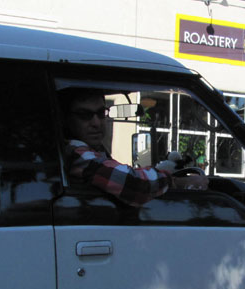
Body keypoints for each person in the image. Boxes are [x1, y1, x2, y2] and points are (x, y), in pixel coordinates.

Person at [59, 87, 208, 207]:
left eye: (101, 113)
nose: (96, 123)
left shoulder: (91, 152)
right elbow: (134, 184)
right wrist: (179, 182)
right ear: (65, 119)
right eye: (84, 115)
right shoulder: (78, 155)